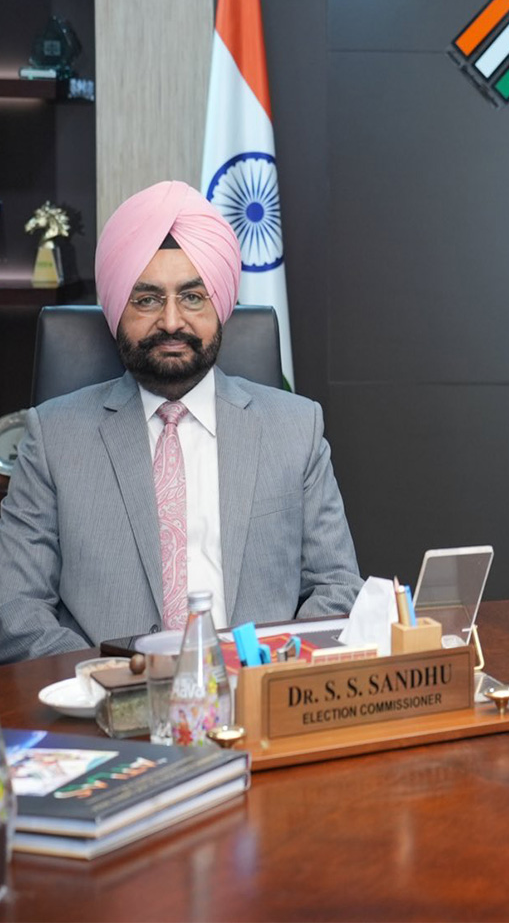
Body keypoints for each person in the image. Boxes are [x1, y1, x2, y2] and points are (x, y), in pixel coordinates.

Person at [0, 181, 362, 662]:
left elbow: (338, 587)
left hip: (255, 698)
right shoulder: (53, 437)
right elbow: (16, 608)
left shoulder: (295, 428)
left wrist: (261, 671)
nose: (172, 322)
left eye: (192, 297)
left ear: (220, 305)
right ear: (116, 309)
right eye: (147, 300)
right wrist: (113, 686)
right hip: (106, 712)